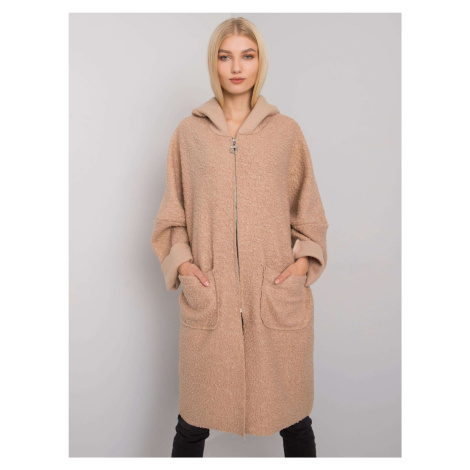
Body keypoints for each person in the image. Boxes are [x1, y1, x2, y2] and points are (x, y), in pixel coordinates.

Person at [151, 17, 328, 457]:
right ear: (213, 63)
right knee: (192, 425)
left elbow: (310, 214)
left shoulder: (285, 133)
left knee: (296, 423)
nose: (236, 67)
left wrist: (301, 266)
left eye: (247, 56)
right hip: (211, 302)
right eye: (225, 56)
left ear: (259, 62)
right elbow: (171, 217)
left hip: (275, 301)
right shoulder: (189, 135)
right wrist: (185, 266)